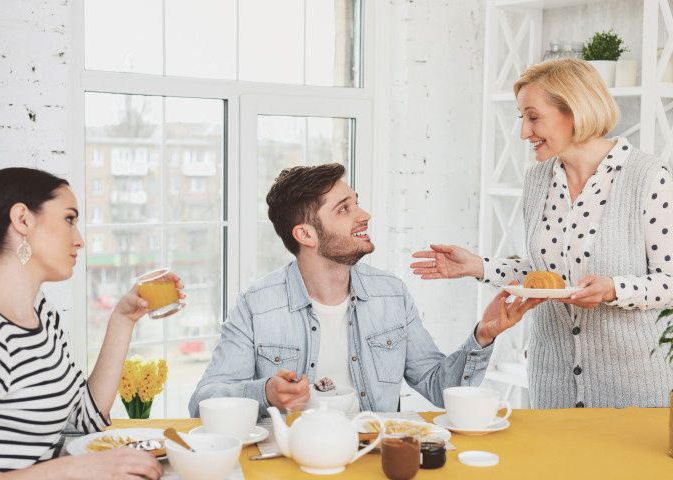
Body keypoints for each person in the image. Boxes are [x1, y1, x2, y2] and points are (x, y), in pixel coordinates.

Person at [410, 58, 673, 409]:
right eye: (523, 119)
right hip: (554, 384)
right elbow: (546, 277)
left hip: (633, 389)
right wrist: (478, 266)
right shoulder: (538, 179)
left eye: (533, 117)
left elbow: (668, 281)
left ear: (575, 111)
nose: (523, 133)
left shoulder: (648, 177)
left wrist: (614, 289)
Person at [189, 163, 542, 418]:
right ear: (306, 235)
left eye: (355, 202)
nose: (365, 215)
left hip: (373, 461)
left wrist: (483, 335)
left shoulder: (391, 294)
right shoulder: (257, 305)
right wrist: (264, 392)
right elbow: (202, 401)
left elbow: (437, 386)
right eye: (345, 209)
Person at [0, 168, 183, 479]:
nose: (80, 240)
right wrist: (71, 469)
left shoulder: (42, 315)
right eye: (69, 219)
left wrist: (123, 319)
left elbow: (87, 418)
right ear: (22, 220)